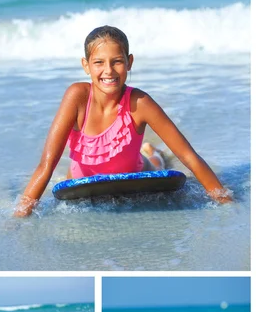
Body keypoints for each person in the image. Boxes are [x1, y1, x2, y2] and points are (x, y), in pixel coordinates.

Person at [14, 25, 232, 216]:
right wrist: (19, 216)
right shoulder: (77, 97)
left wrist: (225, 201)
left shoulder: (140, 102)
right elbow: (47, 164)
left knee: (156, 163)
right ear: (86, 65)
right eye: (99, 62)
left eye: (117, 61)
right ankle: (148, 150)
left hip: (134, 173)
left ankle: (152, 153)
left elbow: (187, 155)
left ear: (129, 62)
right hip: (82, 180)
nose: (108, 71)